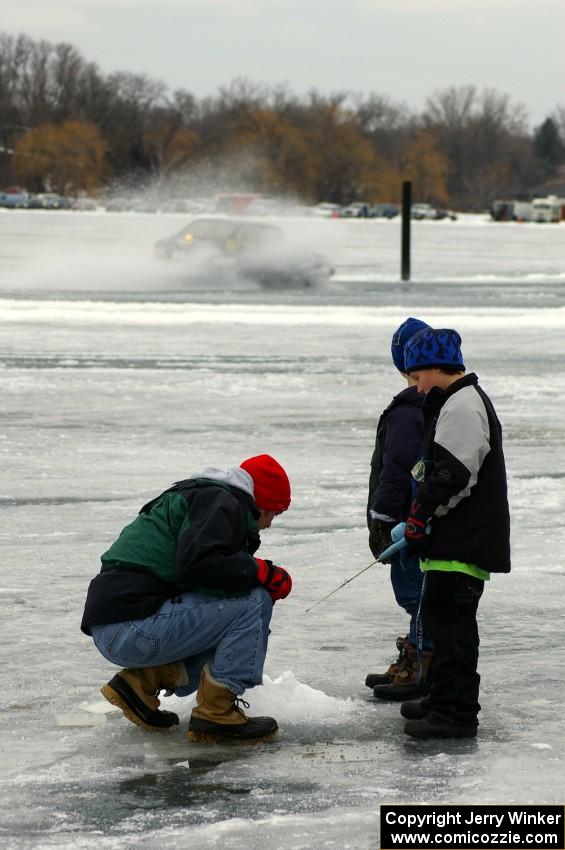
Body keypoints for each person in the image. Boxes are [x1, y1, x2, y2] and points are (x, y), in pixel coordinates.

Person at [80, 454, 293, 743]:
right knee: (255, 602)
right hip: (133, 627)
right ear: (261, 503)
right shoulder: (220, 503)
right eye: (273, 514)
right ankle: (216, 715)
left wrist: (251, 572)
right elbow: (199, 566)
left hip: (118, 626)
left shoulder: (205, 499)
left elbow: (198, 576)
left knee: (237, 616)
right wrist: (259, 572)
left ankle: (139, 686)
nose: (269, 524)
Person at [398, 327, 511, 738]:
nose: (416, 387)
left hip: (462, 541)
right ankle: (442, 697)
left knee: (454, 630)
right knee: (442, 624)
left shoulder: (462, 405)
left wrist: (421, 514)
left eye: (416, 377)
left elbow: (454, 474)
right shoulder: (455, 401)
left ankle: (456, 713)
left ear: (433, 368)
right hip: (452, 542)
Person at [365, 317, 434, 701]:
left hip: (407, 523)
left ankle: (422, 662)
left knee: (415, 593)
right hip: (415, 519)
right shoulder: (422, 404)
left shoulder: (410, 409)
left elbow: (397, 467)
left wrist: (383, 517)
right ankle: (416, 651)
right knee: (416, 593)